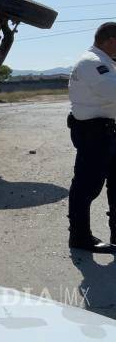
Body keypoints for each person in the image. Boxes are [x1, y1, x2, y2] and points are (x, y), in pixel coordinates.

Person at [67, 22, 116, 252]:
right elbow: (113, 91)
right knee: (87, 187)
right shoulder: (92, 62)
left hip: (106, 130)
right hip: (95, 133)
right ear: (110, 40)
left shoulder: (105, 62)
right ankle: (80, 237)